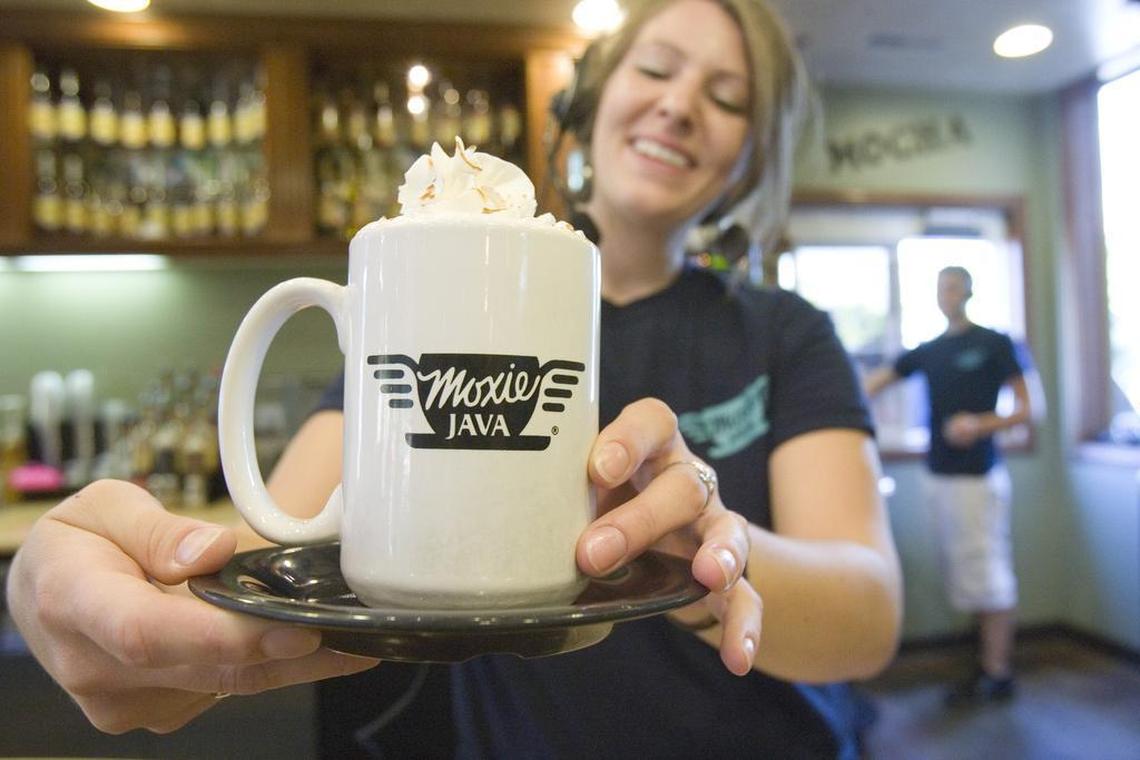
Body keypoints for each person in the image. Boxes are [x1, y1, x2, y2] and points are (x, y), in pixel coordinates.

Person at [7, 1, 902, 756]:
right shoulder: (427, 321)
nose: (679, 108)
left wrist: (710, 564)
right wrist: (94, 580)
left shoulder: (788, 333)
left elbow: (870, 621)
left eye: (727, 97)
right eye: (656, 70)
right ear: (587, 103)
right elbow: (254, 558)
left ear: (750, 155)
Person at [864, 265, 1036, 706]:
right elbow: (874, 385)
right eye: (941, 287)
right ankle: (983, 662)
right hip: (938, 477)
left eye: (954, 286)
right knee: (963, 574)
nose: (947, 294)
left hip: (977, 478)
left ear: (969, 292)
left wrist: (980, 423)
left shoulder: (994, 344)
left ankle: (998, 671)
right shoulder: (930, 351)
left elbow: (1027, 409)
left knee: (989, 573)